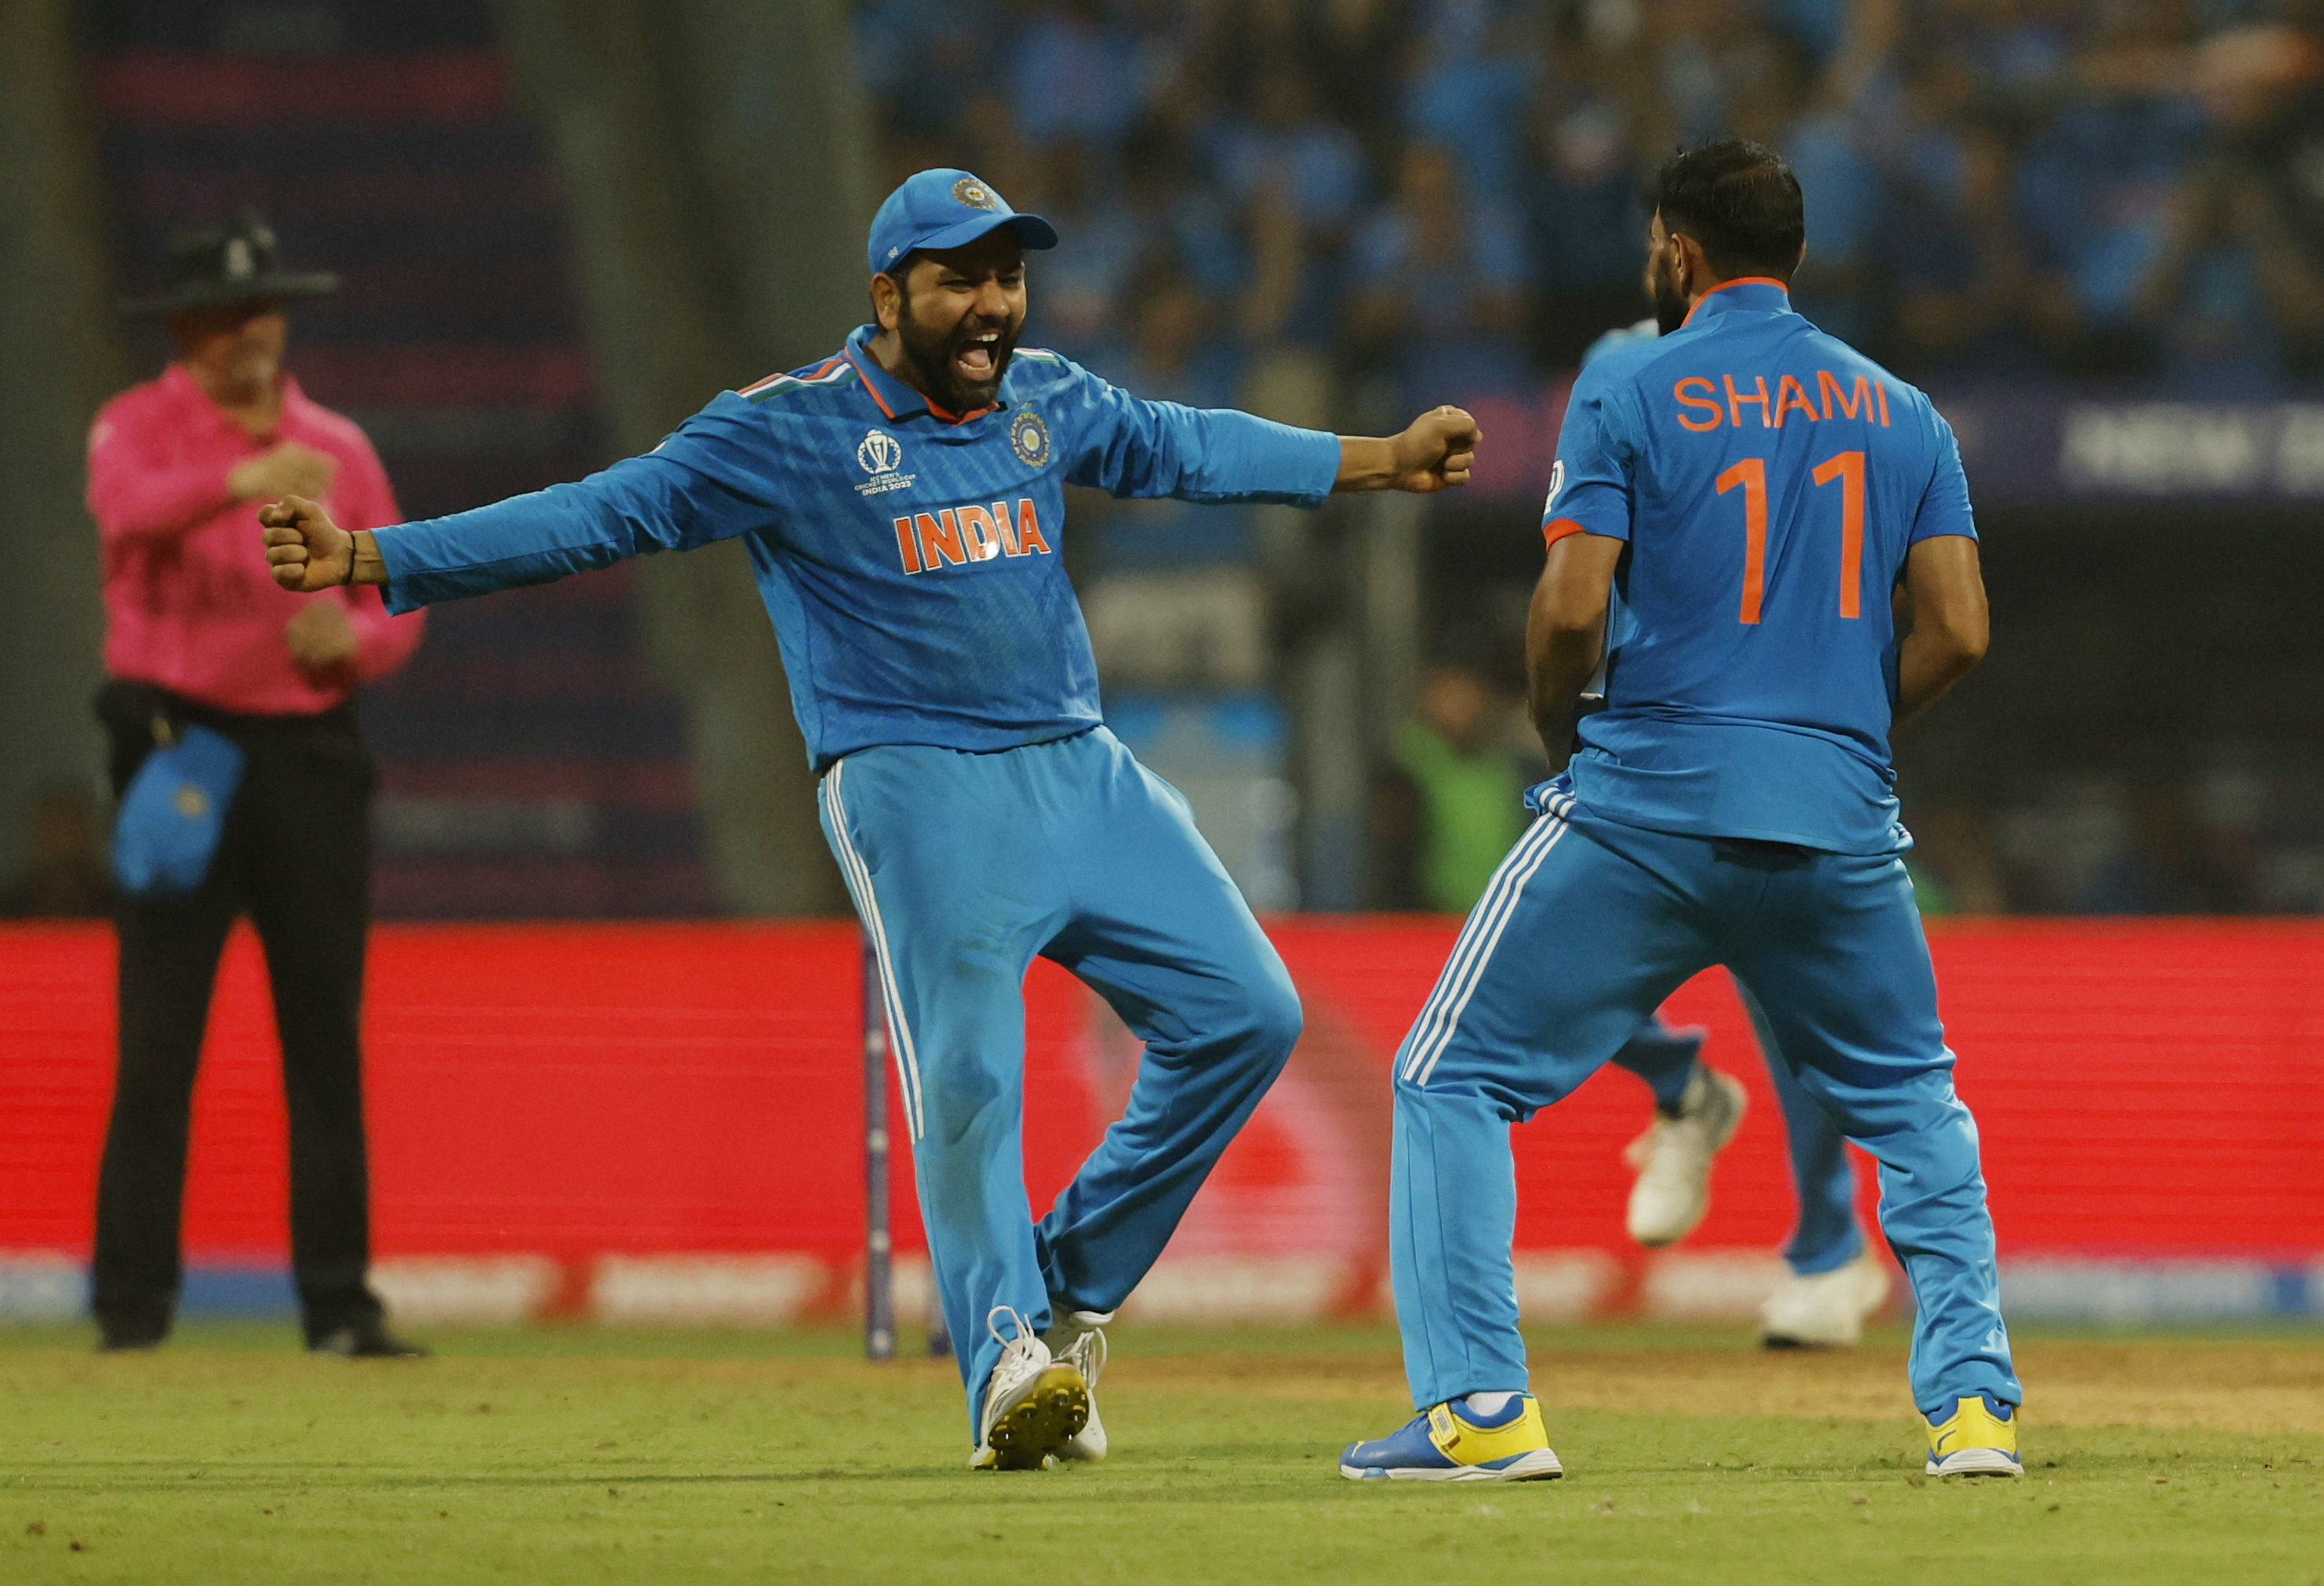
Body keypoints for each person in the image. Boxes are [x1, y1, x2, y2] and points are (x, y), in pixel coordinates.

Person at [257, 169, 1480, 1470]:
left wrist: (1377, 462)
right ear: (889, 293)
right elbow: (600, 515)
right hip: (911, 779)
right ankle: (1008, 1365)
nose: (993, 305)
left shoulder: (1045, 398)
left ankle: (1062, 1294)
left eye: (1008, 276)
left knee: (1251, 1012)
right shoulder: (784, 431)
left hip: (1079, 763)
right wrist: (377, 557)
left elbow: (1187, 444)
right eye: (962, 278)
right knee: (968, 1072)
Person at [1341, 140, 2020, 1483]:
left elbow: (1572, 606)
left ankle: (1482, 1413)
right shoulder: (1905, 413)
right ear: (1798, 256)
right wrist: (1834, 725)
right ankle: (1976, 1413)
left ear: (1675, 252)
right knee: (1919, 1109)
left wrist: (1563, 736)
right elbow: (1962, 629)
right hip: (1835, 820)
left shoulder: (1627, 387)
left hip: (1645, 804)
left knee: (1448, 1075)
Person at [87, 212, 426, 1356]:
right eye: (232, 316)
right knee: (158, 1038)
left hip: (310, 755)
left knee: (323, 1034)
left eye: (265, 311)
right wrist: (243, 477)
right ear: (186, 328)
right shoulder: (135, 431)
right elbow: (124, 512)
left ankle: (339, 1302)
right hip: (180, 747)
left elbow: (394, 587)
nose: (253, 335)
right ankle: (131, 1307)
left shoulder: (339, 445)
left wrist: (361, 647)